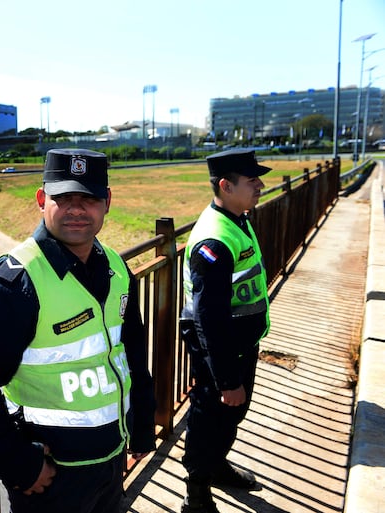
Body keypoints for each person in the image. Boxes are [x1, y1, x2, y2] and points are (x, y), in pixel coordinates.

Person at [0, 148, 156, 513]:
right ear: (42, 200)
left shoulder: (116, 268)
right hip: (53, 481)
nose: (76, 209)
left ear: (107, 202)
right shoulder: (12, 284)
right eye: (63, 198)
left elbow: (131, 353)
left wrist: (140, 425)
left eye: (88, 198)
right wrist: (20, 466)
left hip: (110, 462)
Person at [179, 149, 271, 513]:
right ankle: (196, 491)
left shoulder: (237, 216)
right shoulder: (214, 241)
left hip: (238, 341)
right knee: (211, 416)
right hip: (220, 348)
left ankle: (215, 466)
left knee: (232, 413)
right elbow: (209, 318)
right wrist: (227, 380)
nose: (261, 185)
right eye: (252, 181)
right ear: (225, 186)